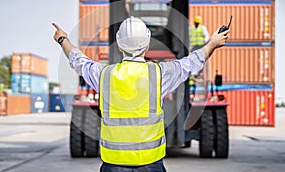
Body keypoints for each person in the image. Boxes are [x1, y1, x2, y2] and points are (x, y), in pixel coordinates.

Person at [52, 16, 229, 172]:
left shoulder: (103, 75)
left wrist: (62, 39)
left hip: (113, 165)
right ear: (147, 44)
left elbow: (78, 60)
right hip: (150, 165)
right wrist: (212, 44)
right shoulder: (159, 74)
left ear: (119, 45)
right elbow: (191, 63)